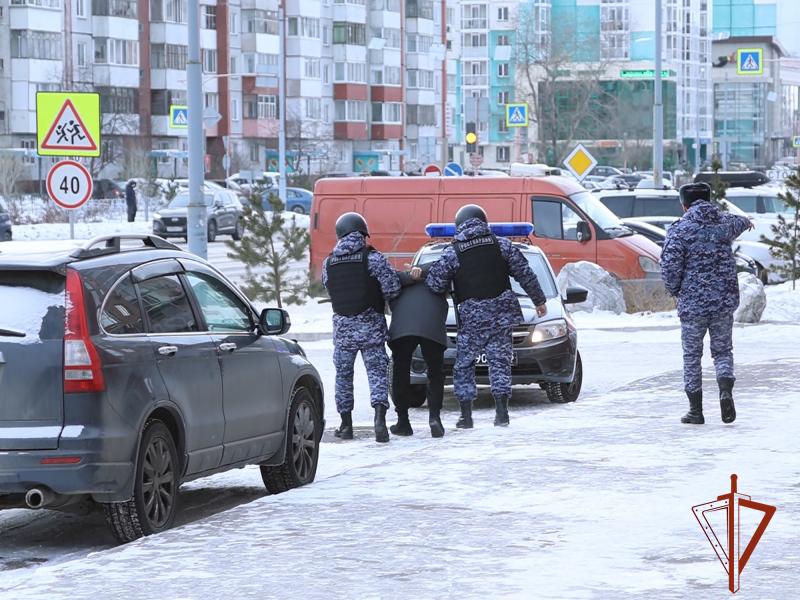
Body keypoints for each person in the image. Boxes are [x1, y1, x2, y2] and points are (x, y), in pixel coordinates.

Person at [425, 205, 548, 428]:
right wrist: (539, 301)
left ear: (459, 224)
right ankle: (502, 413)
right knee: (499, 363)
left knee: (464, 365)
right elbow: (525, 273)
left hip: (472, 319)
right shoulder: (502, 245)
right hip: (502, 316)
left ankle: (466, 416)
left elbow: (434, 284)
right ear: (484, 222)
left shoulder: (454, 251)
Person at [661, 182, 753, 425]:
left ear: (684, 205)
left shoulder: (680, 230)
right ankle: (725, 391)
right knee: (723, 351)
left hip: (692, 306)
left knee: (692, 356)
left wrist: (674, 290)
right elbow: (741, 220)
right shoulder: (724, 223)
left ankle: (695, 411)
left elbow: (669, 268)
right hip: (723, 303)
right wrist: (747, 222)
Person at [322, 212, 401, 443]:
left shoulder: (329, 262)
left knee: (343, 377)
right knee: (377, 375)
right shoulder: (373, 258)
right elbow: (392, 289)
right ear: (362, 233)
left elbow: (330, 289)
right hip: (371, 329)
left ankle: (346, 426)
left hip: (343, 331)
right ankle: (380, 423)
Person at [388, 264, 448, 438]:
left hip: (402, 329)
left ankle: (403, 422)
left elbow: (389, 276)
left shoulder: (401, 280)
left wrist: (412, 272)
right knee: (436, 373)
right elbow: (444, 264)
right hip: (432, 328)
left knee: (400, 373)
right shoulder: (439, 279)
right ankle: (435, 418)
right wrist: (419, 271)